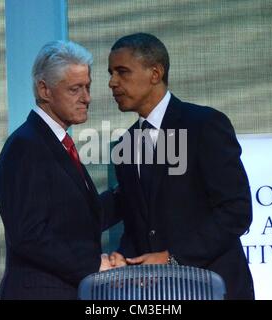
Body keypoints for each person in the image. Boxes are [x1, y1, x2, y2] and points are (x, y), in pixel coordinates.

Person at [107, 33, 255, 299]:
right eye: (111, 73)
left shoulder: (204, 125)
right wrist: (125, 258)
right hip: (157, 296)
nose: (112, 82)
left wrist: (172, 258)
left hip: (213, 288)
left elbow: (236, 211)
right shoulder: (125, 143)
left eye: (122, 72)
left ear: (155, 73)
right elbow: (138, 222)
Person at [0, 40, 117, 299]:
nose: (87, 98)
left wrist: (131, 191)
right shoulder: (25, 147)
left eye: (87, 87)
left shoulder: (55, 143)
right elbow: (29, 234)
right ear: (44, 90)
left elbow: (76, 219)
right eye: (75, 89)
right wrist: (92, 266)